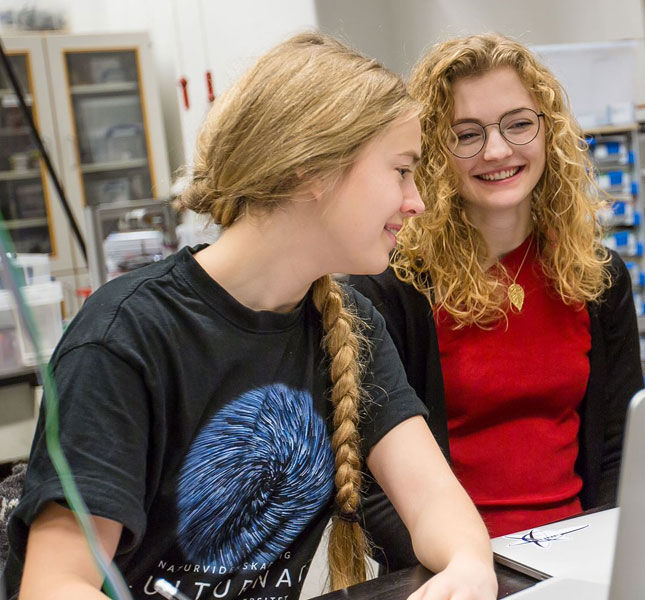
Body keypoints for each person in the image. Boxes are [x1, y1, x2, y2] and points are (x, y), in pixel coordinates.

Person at [5, 33, 496, 600]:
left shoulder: (350, 322)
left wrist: (468, 566)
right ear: (312, 169)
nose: (418, 202)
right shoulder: (125, 339)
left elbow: (436, 501)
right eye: (401, 171)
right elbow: (56, 584)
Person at [349, 33, 644, 571]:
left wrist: (610, 556)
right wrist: (464, 567)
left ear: (547, 131)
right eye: (466, 134)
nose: (498, 151)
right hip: (455, 570)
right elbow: (372, 486)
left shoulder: (598, 277)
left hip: (585, 556)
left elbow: (620, 443)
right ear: (433, 152)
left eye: (518, 123)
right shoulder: (392, 289)